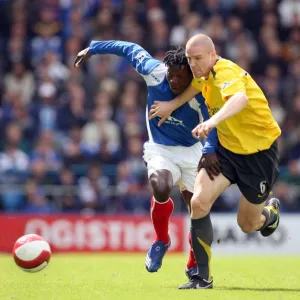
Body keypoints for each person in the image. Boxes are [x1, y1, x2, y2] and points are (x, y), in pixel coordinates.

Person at [74, 40, 219, 278]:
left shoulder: (200, 94)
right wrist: (93, 48)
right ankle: (161, 239)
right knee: (161, 187)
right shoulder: (154, 72)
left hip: (191, 151)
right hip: (160, 148)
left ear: (189, 75)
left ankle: (194, 262)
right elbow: (129, 49)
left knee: (198, 209)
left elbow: (211, 124)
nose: (173, 81)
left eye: (179, 77)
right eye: (171, 75)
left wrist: (209, 151)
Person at [149, 34, 281, 289]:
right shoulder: (202, 76)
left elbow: (240, 100)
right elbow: (196, 86)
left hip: (259, 154)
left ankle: (269, 216)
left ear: (213, 54)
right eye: (190, 59)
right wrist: (172, 104)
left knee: (248, 224)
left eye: (198, 58)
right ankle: (201, 277)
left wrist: (211, 122)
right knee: (198, 202)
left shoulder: (226, 72)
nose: (193, 64)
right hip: (227, 152)